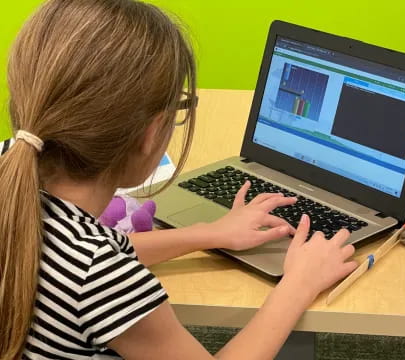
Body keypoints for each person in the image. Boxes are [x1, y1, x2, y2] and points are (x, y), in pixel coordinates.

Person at [0, 0, 357, 359]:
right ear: (151, 134)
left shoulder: (10, 160)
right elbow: (97, 269)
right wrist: (298, 284)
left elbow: (81, 252)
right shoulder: (101, 277)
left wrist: (209, 233)